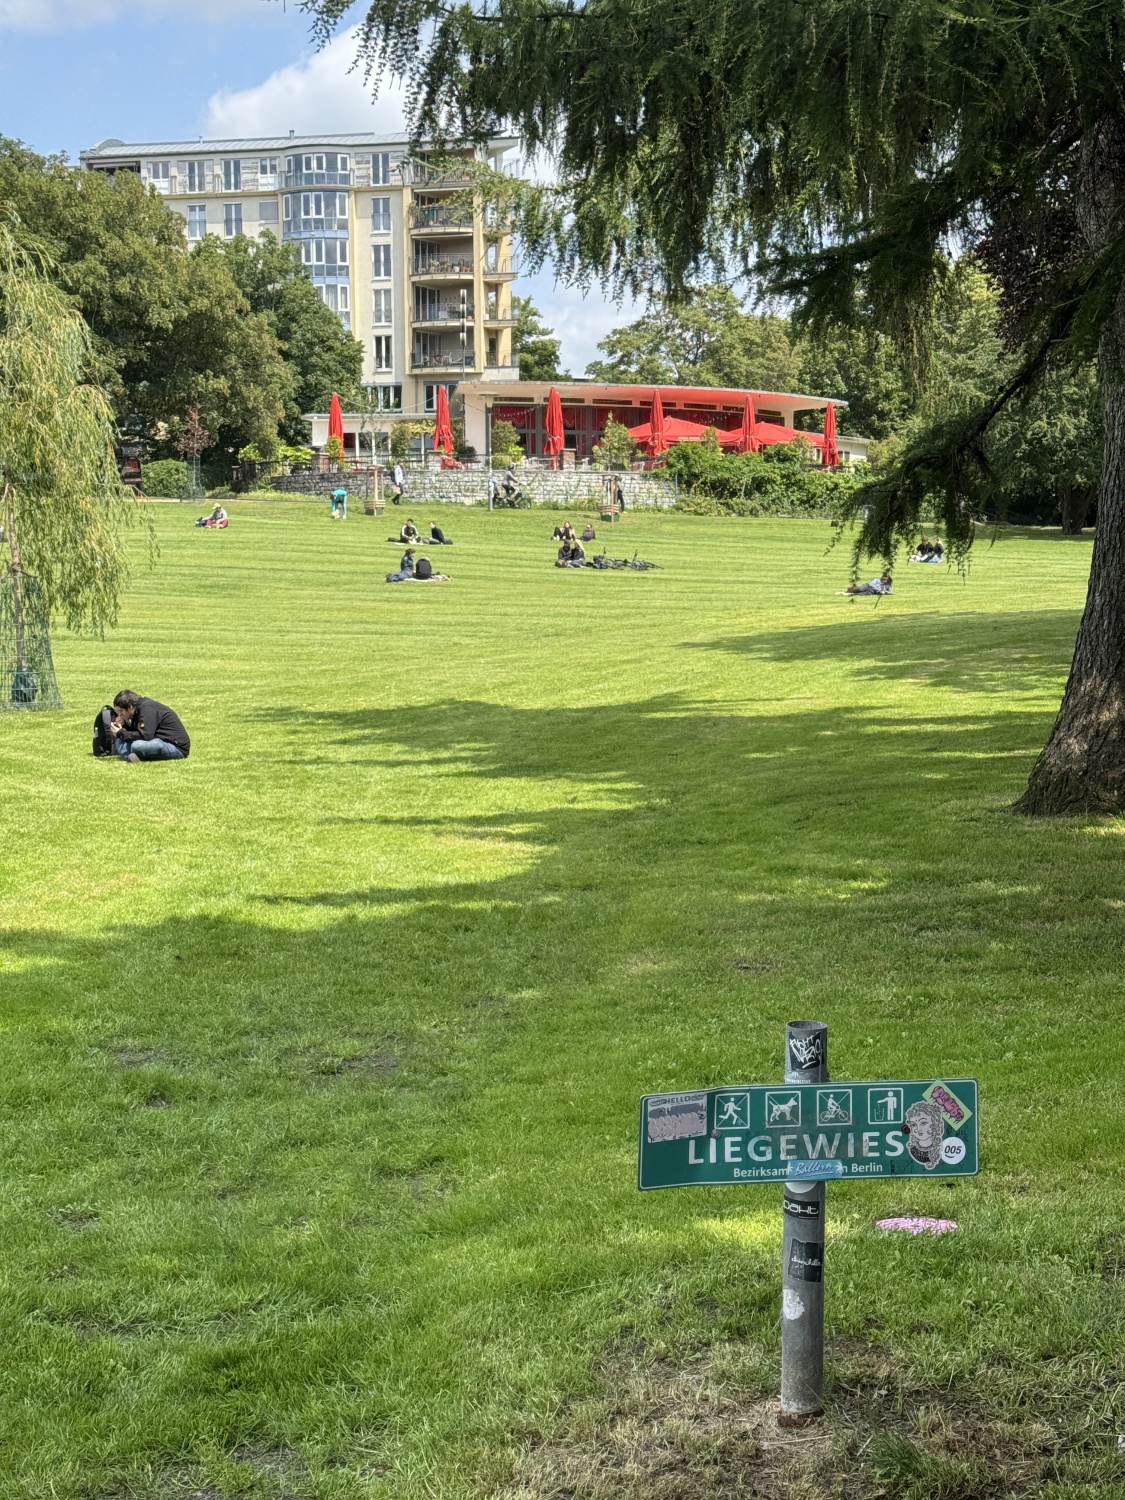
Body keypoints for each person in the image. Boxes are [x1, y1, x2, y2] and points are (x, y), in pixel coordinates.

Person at [110, 689, 190, 762]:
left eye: (121, 711)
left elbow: (146, 736)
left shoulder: (147, 709)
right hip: (157, 741)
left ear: (130, 707)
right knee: (120, 740)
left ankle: (134, 755)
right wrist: (124, 726)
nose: (120, 714)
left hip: (175, 747)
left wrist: (121, 733)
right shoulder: (137, 710)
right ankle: (132, 757)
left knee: (137, 745)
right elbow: (137, 732)